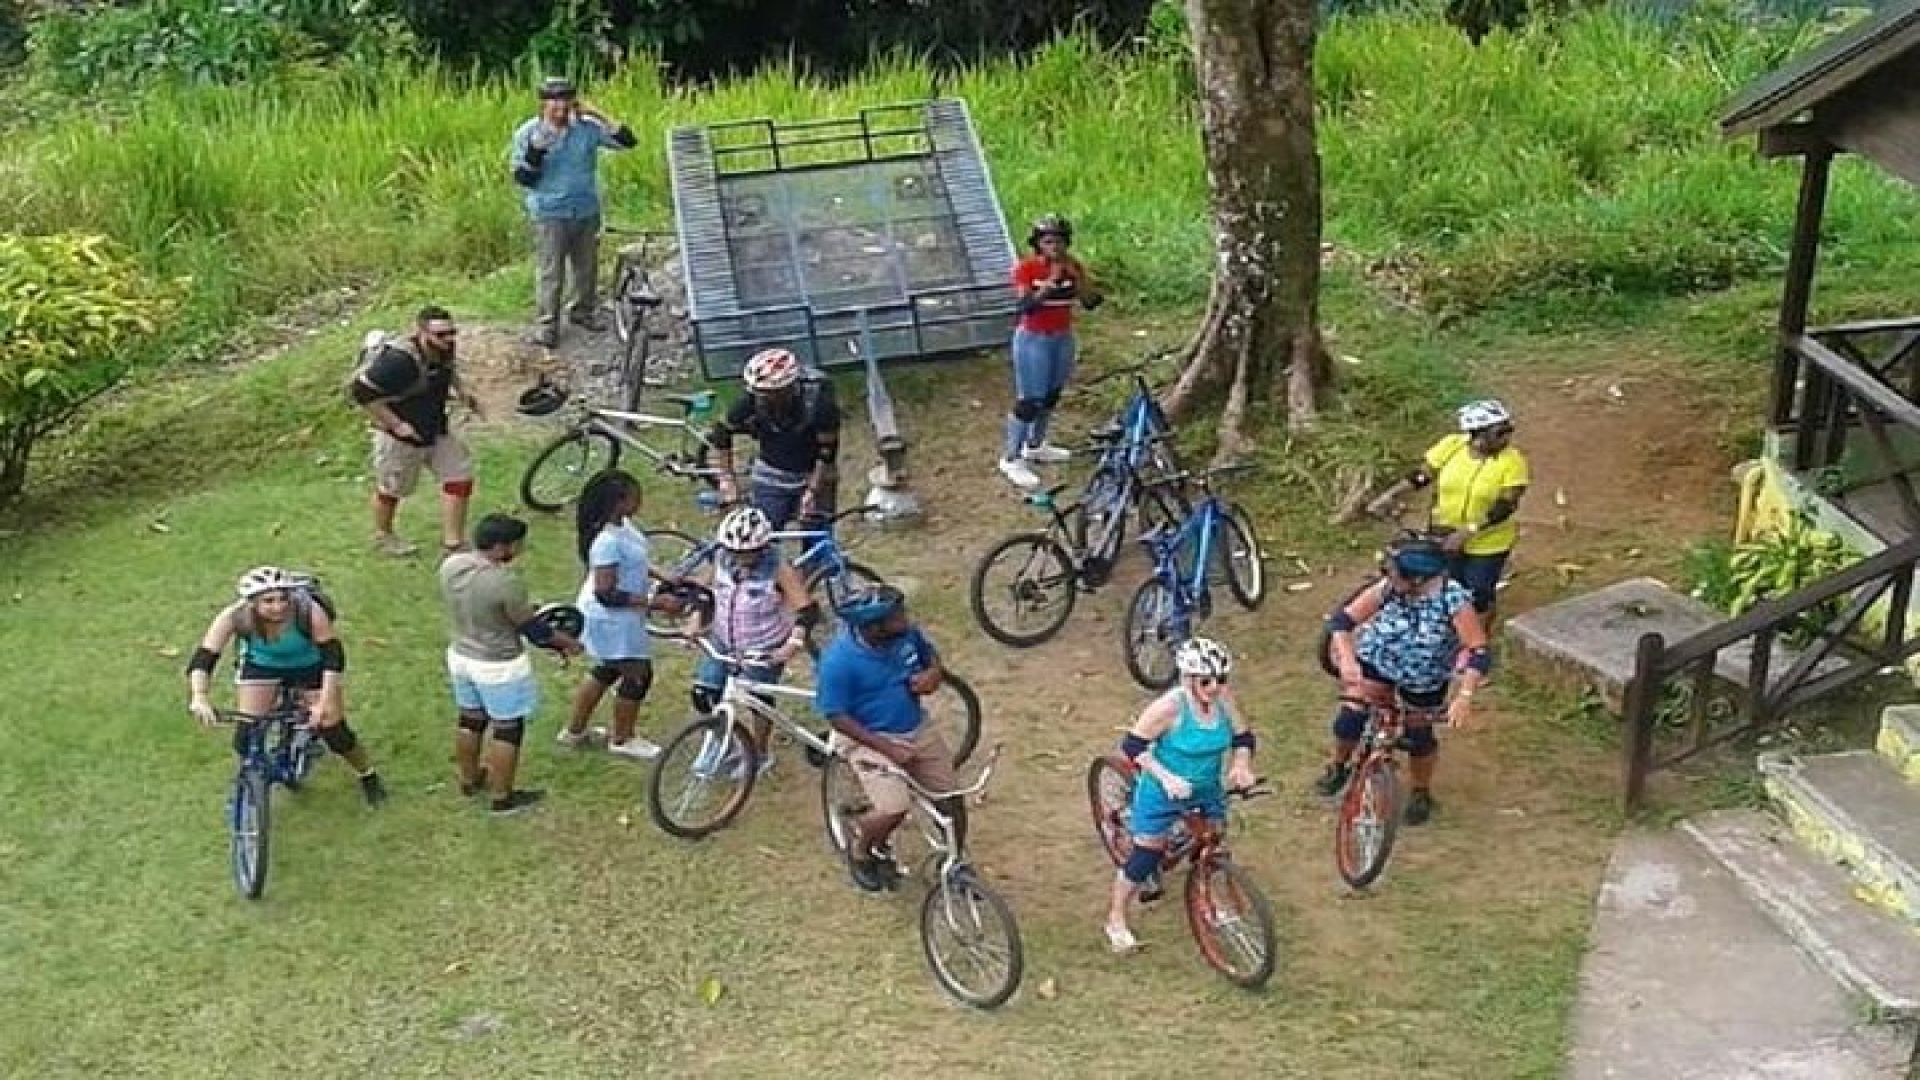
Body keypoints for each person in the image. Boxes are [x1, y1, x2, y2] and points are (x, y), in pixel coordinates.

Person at [1314, 534, 1490, 825]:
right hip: (1377, 661)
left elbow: (1478, 651)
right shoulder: (1388, 588)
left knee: (1419, 736)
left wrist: (1465, 696)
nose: (1388, 577)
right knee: (1350, 718)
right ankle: (1338, 765)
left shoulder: (1453, 600)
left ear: (1418, 579)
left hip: (1424, 678)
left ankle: (1421, 791)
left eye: (1394, 573)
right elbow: (1342, 621)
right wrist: (1347, 659)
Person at [186, 567, 387, 806]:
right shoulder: (235, 616)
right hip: (262, 667)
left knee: (334, 730)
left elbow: (333, 658)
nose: (278, 607)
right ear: (252, 603)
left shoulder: (308, 611)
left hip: (310, 666)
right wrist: (199, 696)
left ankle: (366, 773)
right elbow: (205, 657)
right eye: (268, 601)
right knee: (247, 733)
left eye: (283, 598)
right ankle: (254, 782)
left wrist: (323, 703)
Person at [1105, 637, 1253, 954]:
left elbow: (1243, 737)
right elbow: (1133, 746)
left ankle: (1211, 893)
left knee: (1214, 840)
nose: (1215, 687)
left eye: (1221, 679)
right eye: (1206, 681)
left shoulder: (1224, 700)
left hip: (1206, 787)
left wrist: (1241, 765)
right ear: (1187, 678)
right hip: (1162, 791)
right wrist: (1167, 778)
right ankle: (1116, 917)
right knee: (1146, 856)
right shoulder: (1170, 708)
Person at [439, 513, 582, 816]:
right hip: (498, 665)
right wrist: (568, 643)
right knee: (507, 729)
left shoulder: (451, 566)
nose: (520, 550)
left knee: (470, 720)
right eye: (517, 544)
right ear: (501, 546)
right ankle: (502, 796)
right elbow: (534, 630)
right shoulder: (505, 583)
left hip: (461, 655)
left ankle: (469, 779)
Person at [815, 585, 956, 892]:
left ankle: (955, 862)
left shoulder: (906, 635)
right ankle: (861, 847)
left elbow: (930, 655)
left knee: (951, 799)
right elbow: (836, 716)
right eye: (895, 616)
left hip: (917, 729)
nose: (904, 619)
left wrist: (934, 672)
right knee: (893, 808)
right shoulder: (839, 662)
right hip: (869, 739)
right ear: (873, 627)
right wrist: (888, 748)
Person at [1366, 398, 1529, 619]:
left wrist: (1467, 532)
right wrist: (1390, 496)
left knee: (1478, 593)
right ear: (1477, 434)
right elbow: (1421, 476)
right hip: (1443, 533)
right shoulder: (1452, 447)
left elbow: (1506, 506)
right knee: (1444, 586)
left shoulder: (1512, 461)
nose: (1507, 437)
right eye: (1500, 432)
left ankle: (1478, 635)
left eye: (1509, 430)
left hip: (1488, 542)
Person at [559, 470, 681, 761]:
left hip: (618, 616)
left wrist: (660, 574)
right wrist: (655, 603)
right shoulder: (606, 542)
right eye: (635, 496)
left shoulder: (622, 526)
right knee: (638, 674)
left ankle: (574, 731)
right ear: (619, 502)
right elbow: (607, 594)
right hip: (611, 618)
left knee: (607, 669)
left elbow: (634, 559)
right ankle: (623, 738)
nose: (640, 500)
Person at [509, 76, 638, 348]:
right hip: (550, 212)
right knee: (551, 272)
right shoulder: (528, 133)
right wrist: (536, 152)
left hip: (585, 208)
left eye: (566, 100)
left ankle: (583, 311)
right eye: (554, 101)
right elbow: (522, 178)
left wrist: (597, 114)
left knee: (586, 268)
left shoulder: (587, 129)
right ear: (543, 104)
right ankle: (548, 326)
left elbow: (628, 142)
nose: (560, 107)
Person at [687, 505, 818, 767]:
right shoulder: (721, 559)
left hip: (763, 645)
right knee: (704, 692)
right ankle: (720, 741)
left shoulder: (778, 568)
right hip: (723, 640)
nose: (739, 557)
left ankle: (759, 753)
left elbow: (807, 610)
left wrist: (792, 645)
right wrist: (695, 621)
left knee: (758, 702)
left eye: (746, 553)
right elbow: (704, 592)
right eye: (733, 551)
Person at [350, 305, 479, 558]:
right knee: (393, 489)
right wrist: (396, 425)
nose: (449, 339)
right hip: (400, 437)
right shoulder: (398, 362)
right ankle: (384, 536)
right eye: (441, 335)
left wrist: (463, 393)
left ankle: (453, 544)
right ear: (421, 333)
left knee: (459, 478)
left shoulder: (444, 350)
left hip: (435, 429)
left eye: (452, 332)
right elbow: (361, 392)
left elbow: (448, 370)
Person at [998, 213, 1102, 491]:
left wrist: (1079, 280)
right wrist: (1050, 284)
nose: (1054, 247)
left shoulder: (1073, 266)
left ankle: (1036, 444)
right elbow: (1026, 307)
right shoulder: (1027, 269)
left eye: (1059, 241)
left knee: (1051, 395)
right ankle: (1011, 458)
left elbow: (1092, 301)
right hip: (1034, 339)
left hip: (1062, 337)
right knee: (1030, 399)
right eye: (1047, 242)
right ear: (1038, 244)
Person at [710, 347, 841, 530]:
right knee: (764, 532)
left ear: (788, 388)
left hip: (814, 472)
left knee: (817, 533)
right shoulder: (752, 400)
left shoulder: (819, 403)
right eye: (757, 391)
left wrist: (813, 490)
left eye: (769, 393)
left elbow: (827, 452)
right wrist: (726, 479)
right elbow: (721, 432)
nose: (761, 397)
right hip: (770, 475)